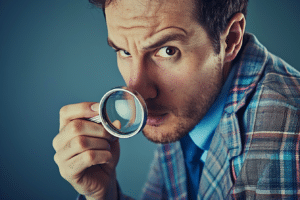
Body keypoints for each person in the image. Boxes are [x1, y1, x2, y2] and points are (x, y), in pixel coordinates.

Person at [52, 0, 300, 199]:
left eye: (168, 51)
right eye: (124, 51)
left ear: (230, 39)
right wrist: (103, 195)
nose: (138, 92)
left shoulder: (288, 136)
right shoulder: (185, 109)